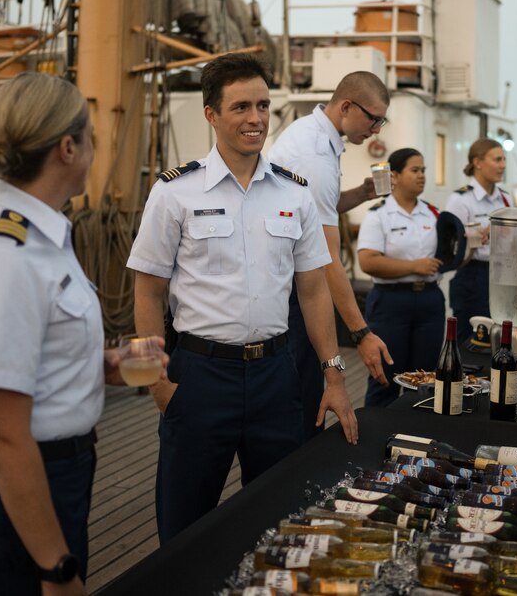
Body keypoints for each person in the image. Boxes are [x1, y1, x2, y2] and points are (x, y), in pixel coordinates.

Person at [128, 53, 359, 544]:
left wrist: (333, 374)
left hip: (277, 379)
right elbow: (146, 292)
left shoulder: (293, 193)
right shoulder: (175, 192)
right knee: (184, 527)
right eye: (240, 108)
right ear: (211, 114)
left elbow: (313, 289)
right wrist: (152, 382)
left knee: (278, 522)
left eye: (262, 106)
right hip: (199, 377)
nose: (255, 119)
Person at [0, 73, 119, 595]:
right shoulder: (7, 255)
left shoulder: (41, 234)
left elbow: (31, 356)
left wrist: (105, 364)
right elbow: (2, 433)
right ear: (67, 148)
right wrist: (55, 569)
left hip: (48, 481)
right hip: (5, 498)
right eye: (90, 136)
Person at [268, 72, 393, 440]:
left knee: (298, 396)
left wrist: (359, 194)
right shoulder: (315, 156)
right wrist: (362, 332)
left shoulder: (314, 135)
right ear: (346, 107)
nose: (377, 130)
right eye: (374, 119)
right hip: (291, 291)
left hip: (291, 281)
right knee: (301, 402)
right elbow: (327, 258)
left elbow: (315, 207)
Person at [356, 148, 445, 406]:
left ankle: (421, 438)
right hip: (390, 303)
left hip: (429, 301)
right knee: (384, 378)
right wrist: (414, 266)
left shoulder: (434, 214)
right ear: (394, 175)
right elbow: (368, 261)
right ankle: (376, 437)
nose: (421, 176)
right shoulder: (378, 214)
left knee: (427, 381)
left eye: (424, 170)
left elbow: (446, 258)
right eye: (414, 170)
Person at [444, 138, 510, 345]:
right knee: (469, 343)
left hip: (502, 276)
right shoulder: (460, 200)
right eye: (497, 160)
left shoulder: (506, 200)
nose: (503, 165)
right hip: (473, 276)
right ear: (478, 162)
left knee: (499, 340)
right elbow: (448, 248)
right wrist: (476, 239)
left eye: (504, 160)